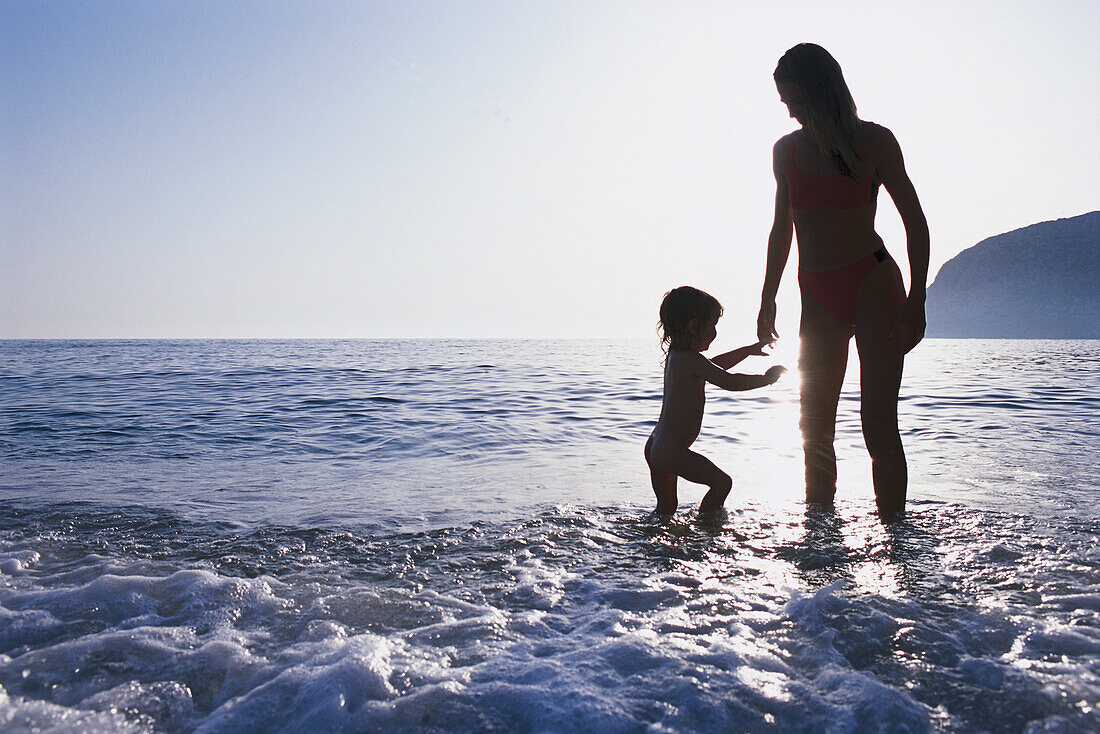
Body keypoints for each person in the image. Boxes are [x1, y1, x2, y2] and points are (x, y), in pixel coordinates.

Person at [757, 43, 929, 518]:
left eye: (795, 100)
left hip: (873, 283)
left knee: (877, 423)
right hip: (815, 292)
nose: (789, 112)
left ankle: (897, 537)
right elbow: (781, 228)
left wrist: (917, 299)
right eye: (784, 102)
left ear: (820, 92)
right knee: (814, 425)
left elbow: (914, 220)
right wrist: (767, 296)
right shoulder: (785, 151)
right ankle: (821, 543)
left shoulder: (874, 141)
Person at [646, 286, 786, 514]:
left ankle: (655, 541)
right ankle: (707, 531)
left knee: (666, 510)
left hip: (656, 446)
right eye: (712, 325)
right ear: (693, 326)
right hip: (670, 451)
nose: (715, 332)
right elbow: (730, 382)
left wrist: (747, 350)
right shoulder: (690, 360)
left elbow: (713, 365)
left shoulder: (678, 356)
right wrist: (766, 379)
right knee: (722, 483)